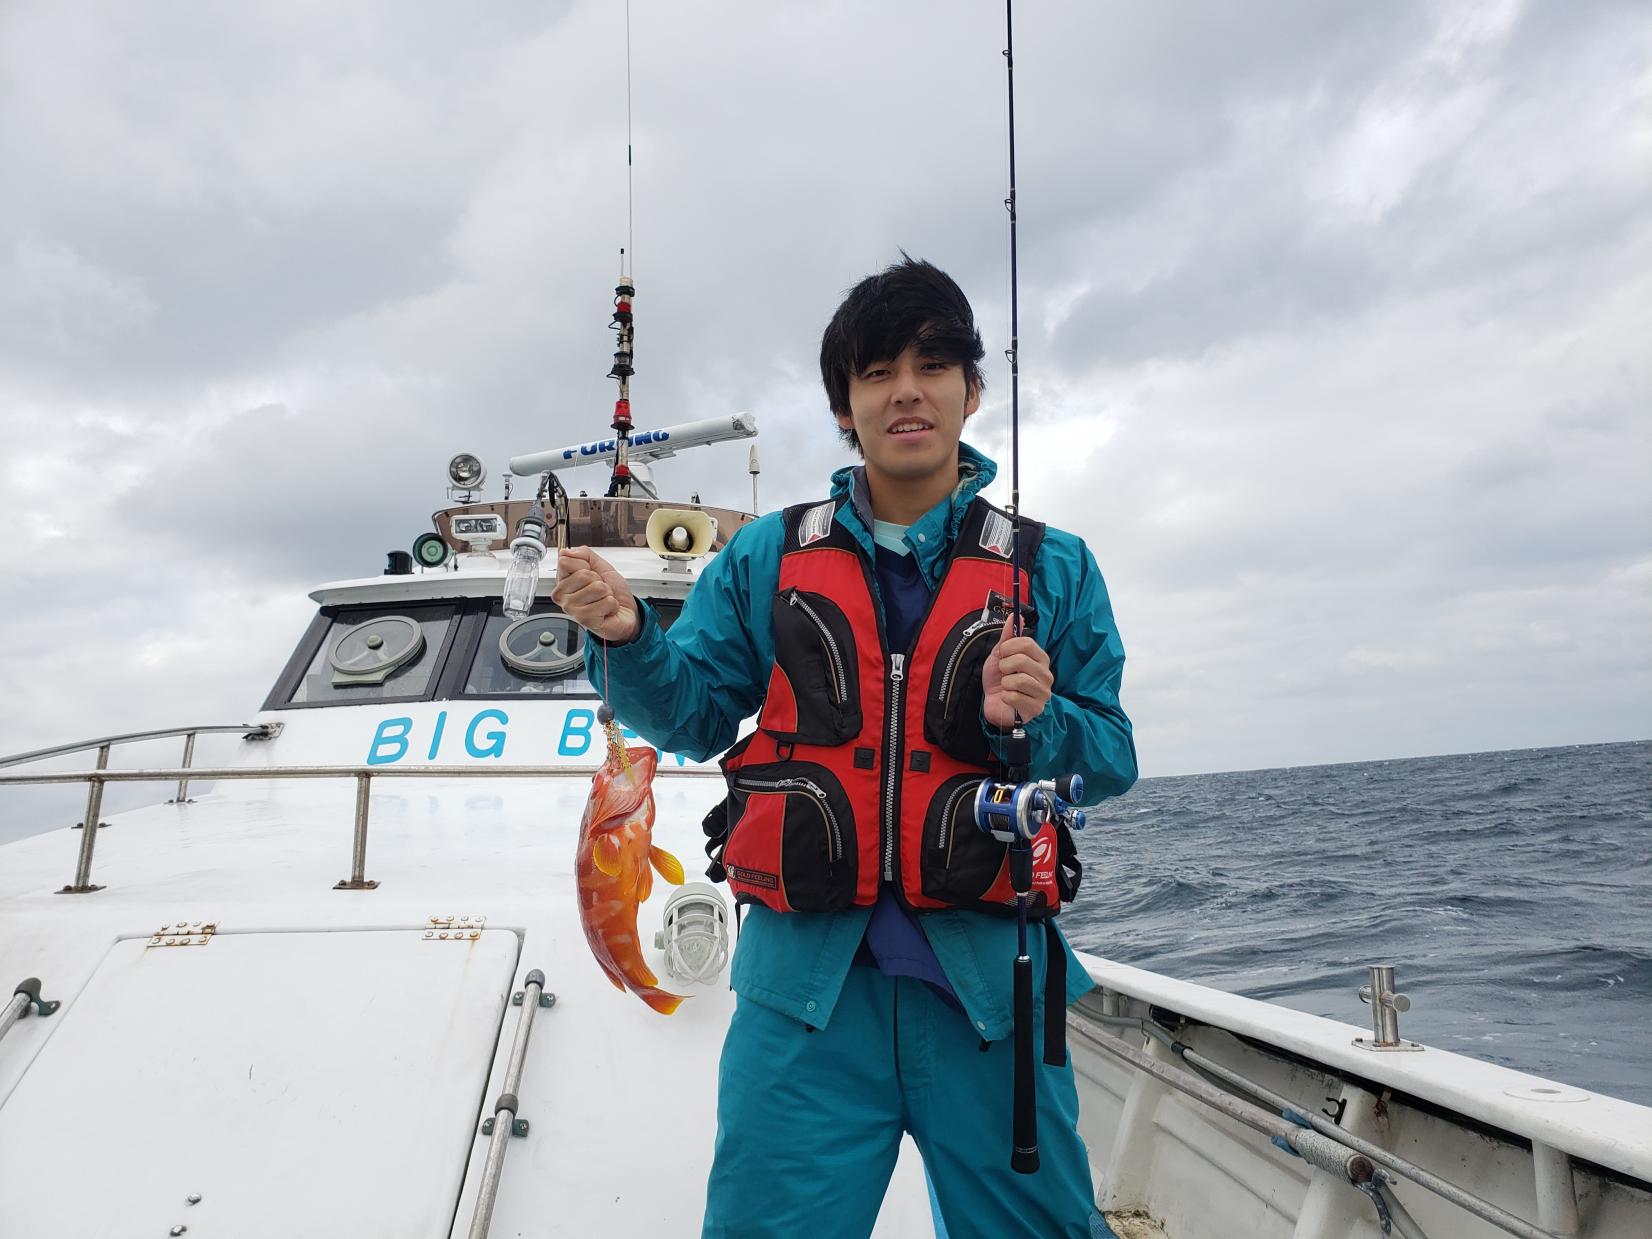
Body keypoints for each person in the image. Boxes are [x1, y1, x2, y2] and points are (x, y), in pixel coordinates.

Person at [553, 257, 1136, 1239]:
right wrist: (623, 641)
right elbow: (691, 716)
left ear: (970, 390)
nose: (904, 390)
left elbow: (1107, 756)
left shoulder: (1055, 565)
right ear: (841, 407)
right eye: (875, 372)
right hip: (799, 1004)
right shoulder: (763, 557)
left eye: (930, 364)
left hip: (994, 997)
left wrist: (1041, 720)